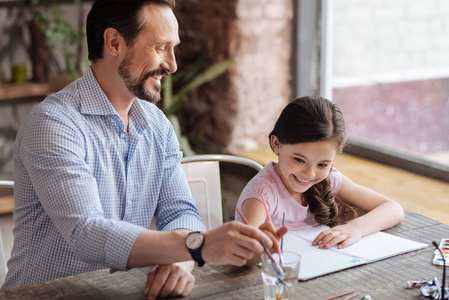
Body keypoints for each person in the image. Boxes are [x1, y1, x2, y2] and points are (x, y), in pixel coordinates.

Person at [1, 0, 287, 299]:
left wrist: (181, 260)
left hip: (127, 292)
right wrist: (199, 245)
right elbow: (87, 233)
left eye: (173, 48)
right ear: (114, 43)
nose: (173, 64)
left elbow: (181, 212)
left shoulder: (157, 124)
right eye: (161, 47)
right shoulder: (53, 124)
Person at [235, 96, 404, 265]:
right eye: (299, 160)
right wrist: (262, 249)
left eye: (322, 164)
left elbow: (394, 209)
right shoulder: (261, 194)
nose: (309, 173)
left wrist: (355, 228)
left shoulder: (330, 179)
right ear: (276, 144)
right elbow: (243, 254)